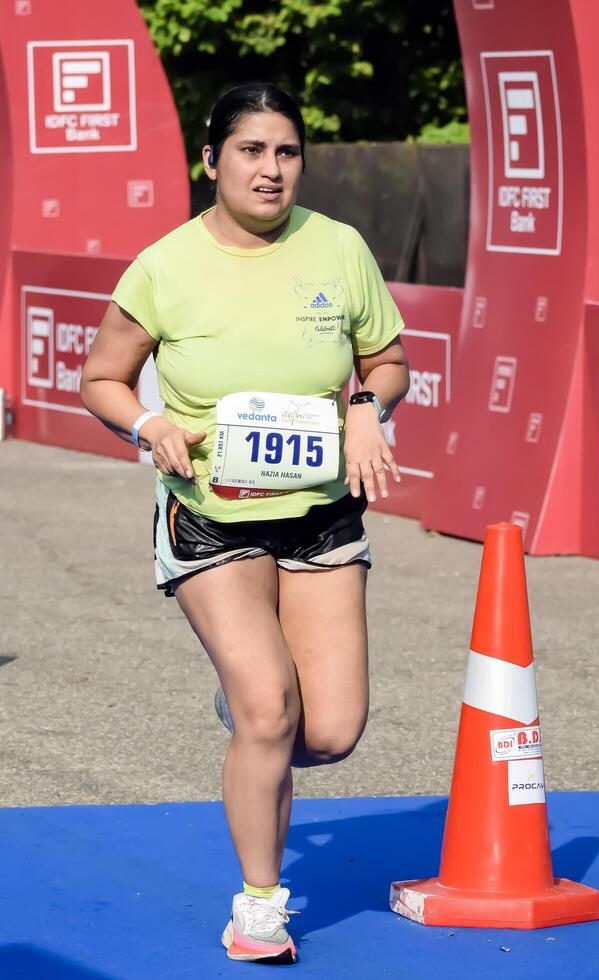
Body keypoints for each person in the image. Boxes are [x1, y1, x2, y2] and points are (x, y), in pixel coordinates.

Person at [80, 82, 409, 965]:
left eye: (287, 152)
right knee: (271, 710)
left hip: (320, 517)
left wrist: (367, 406)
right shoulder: (164, 264)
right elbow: (101, 378)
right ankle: (259, 905)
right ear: (212, 161)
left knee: (330, 732)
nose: (271, 170)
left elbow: (387, 359)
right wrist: (148, 423)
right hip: (211, 518)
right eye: (252, 151)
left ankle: (251, 707)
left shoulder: (338, 249)